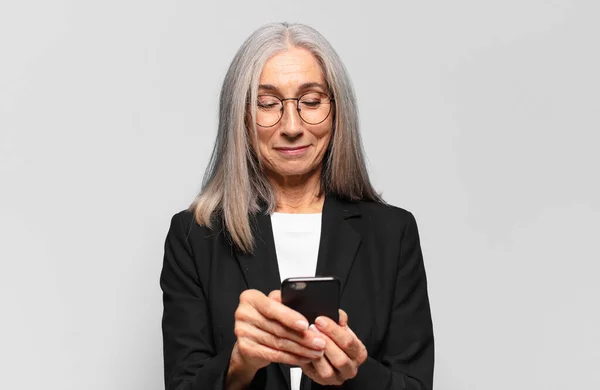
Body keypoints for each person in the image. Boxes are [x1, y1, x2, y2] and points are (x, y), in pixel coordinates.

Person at [160, 22, 434, 390]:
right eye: (267, 103)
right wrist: (240, 362)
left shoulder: (392, 234)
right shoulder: (195, 236)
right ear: (240, 116)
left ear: (337, 112)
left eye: (311, 101)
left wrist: (354, 373)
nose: (292, 126)